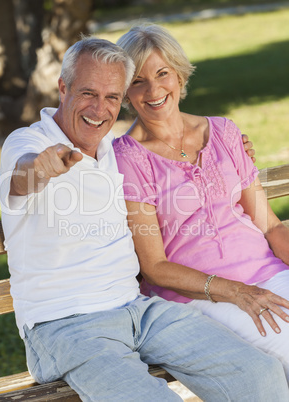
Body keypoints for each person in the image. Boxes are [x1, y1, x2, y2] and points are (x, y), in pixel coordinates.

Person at [0, 36, 289, 402]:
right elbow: (20, 178)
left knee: (259, 375)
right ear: (62, 88)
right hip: (67, 323)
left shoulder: (108, 149)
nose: (99, 108)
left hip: (140, 312)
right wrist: (40, 167)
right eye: (88, 93)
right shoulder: (28, 143)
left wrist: (233, 147)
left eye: (111, 98)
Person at [113, 23, 289, 383]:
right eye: (138, 81)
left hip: (269, 274)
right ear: (125, 92)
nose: (154, 89)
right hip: (204, 296)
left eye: (162, 73)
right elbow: (155, 266)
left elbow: (269, 225)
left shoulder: (223, 132)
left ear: (179, 74)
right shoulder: (127, 159)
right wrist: (238, 292)